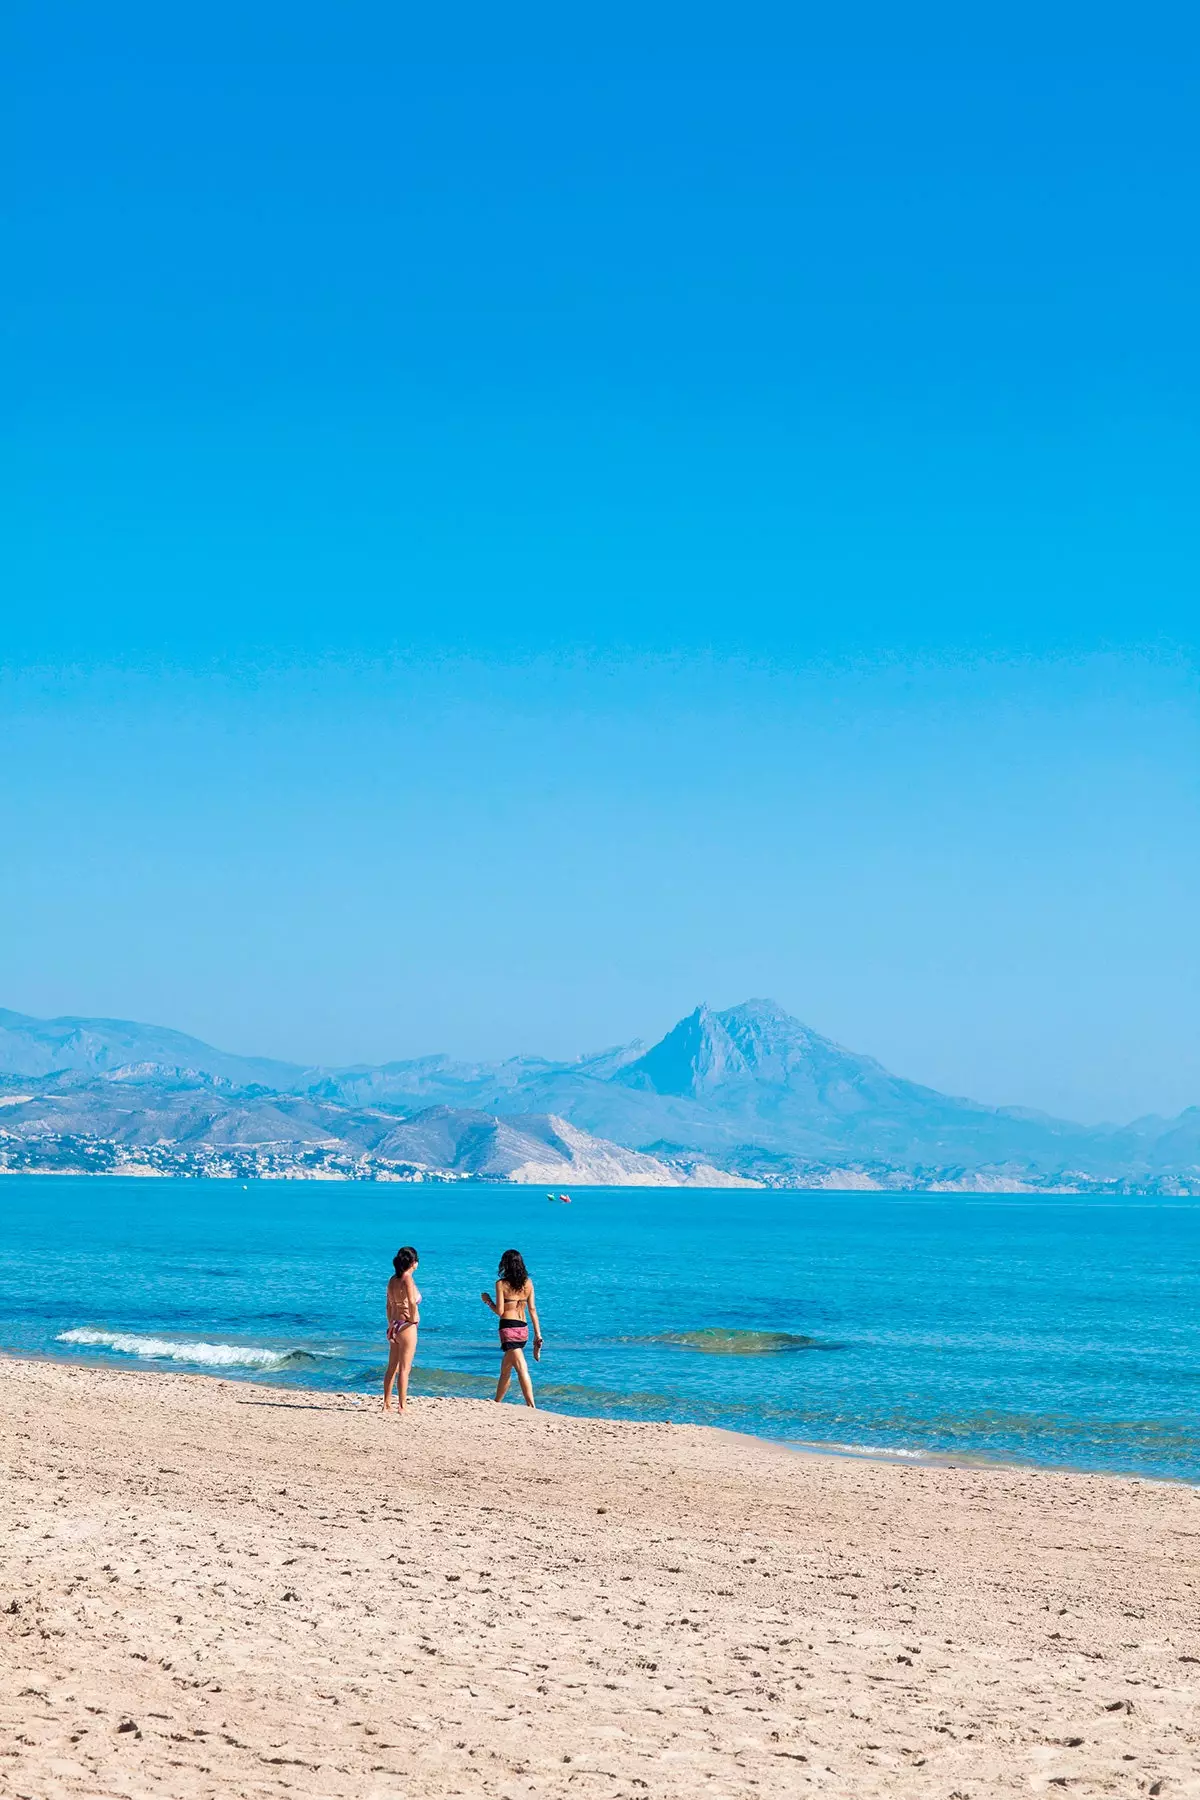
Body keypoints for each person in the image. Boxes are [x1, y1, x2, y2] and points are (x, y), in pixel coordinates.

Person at [481, 1248, 543, 1408]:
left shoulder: (501, 1284)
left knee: (521, 1367)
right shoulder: (528, 1283)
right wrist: (538, 1334)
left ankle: (531, 1405)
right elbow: (533, 1310)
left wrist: (488, 1301)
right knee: (506, 1368)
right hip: (523, 1329)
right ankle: (497, 1402)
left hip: (508, 1329)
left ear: (505, 1265)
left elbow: (500, 1311)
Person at [383, 1245, 420, 1413]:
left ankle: (386, 1404)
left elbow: (389, 1305)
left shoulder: (393, 1279)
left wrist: (391, 1324)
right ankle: (402, 1406)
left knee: (392, 1367)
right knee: (405, 1369)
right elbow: (412, 1301)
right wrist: (413, 1318)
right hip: (406, 1326)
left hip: (395, 1325)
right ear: (413, 1262)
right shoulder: (407, 1279)